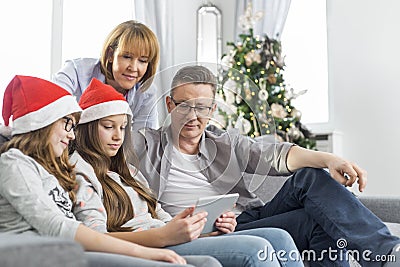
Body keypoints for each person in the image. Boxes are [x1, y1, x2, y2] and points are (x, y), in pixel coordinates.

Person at [131, 65, 400, 267]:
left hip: (246, 218)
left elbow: (276, 155)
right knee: (313, 222)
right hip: (205, 230)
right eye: (184, 106)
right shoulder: (146, 144)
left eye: (202, 107)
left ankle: (387, 255)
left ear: (213, 110)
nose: (193, 116)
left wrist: (331, 159)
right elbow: (103, 134)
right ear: (169, 105)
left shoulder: (224, 142)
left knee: (309, 177)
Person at [70, 77, 304, 267]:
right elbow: (95, 238)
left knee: (279, 237)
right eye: (108, 127)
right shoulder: (81, 172)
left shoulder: (127, 171)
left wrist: (197, 230)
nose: (118, 136)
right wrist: (165, 236)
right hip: (151, 243)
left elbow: (160, 216)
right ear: (87, 128)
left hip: (167, 237)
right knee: (257, 250)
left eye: (122, 128)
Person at [0, 75, 220, 267]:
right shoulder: (14, 163)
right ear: (43, 122)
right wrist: (148, 250)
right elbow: (59, 226)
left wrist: (196, 229)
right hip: (45, 256)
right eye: (67, 124)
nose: (72, 135)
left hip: (68, 250)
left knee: (208, 263)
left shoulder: (49, 170)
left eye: (123, 128)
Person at [53, 20, 159, 131]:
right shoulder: (76, 70)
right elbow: (53, 106)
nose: (133, 68)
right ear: (110, 54)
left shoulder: (147, 93)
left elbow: (142, 139)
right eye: (127, 57)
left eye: (142, 60)